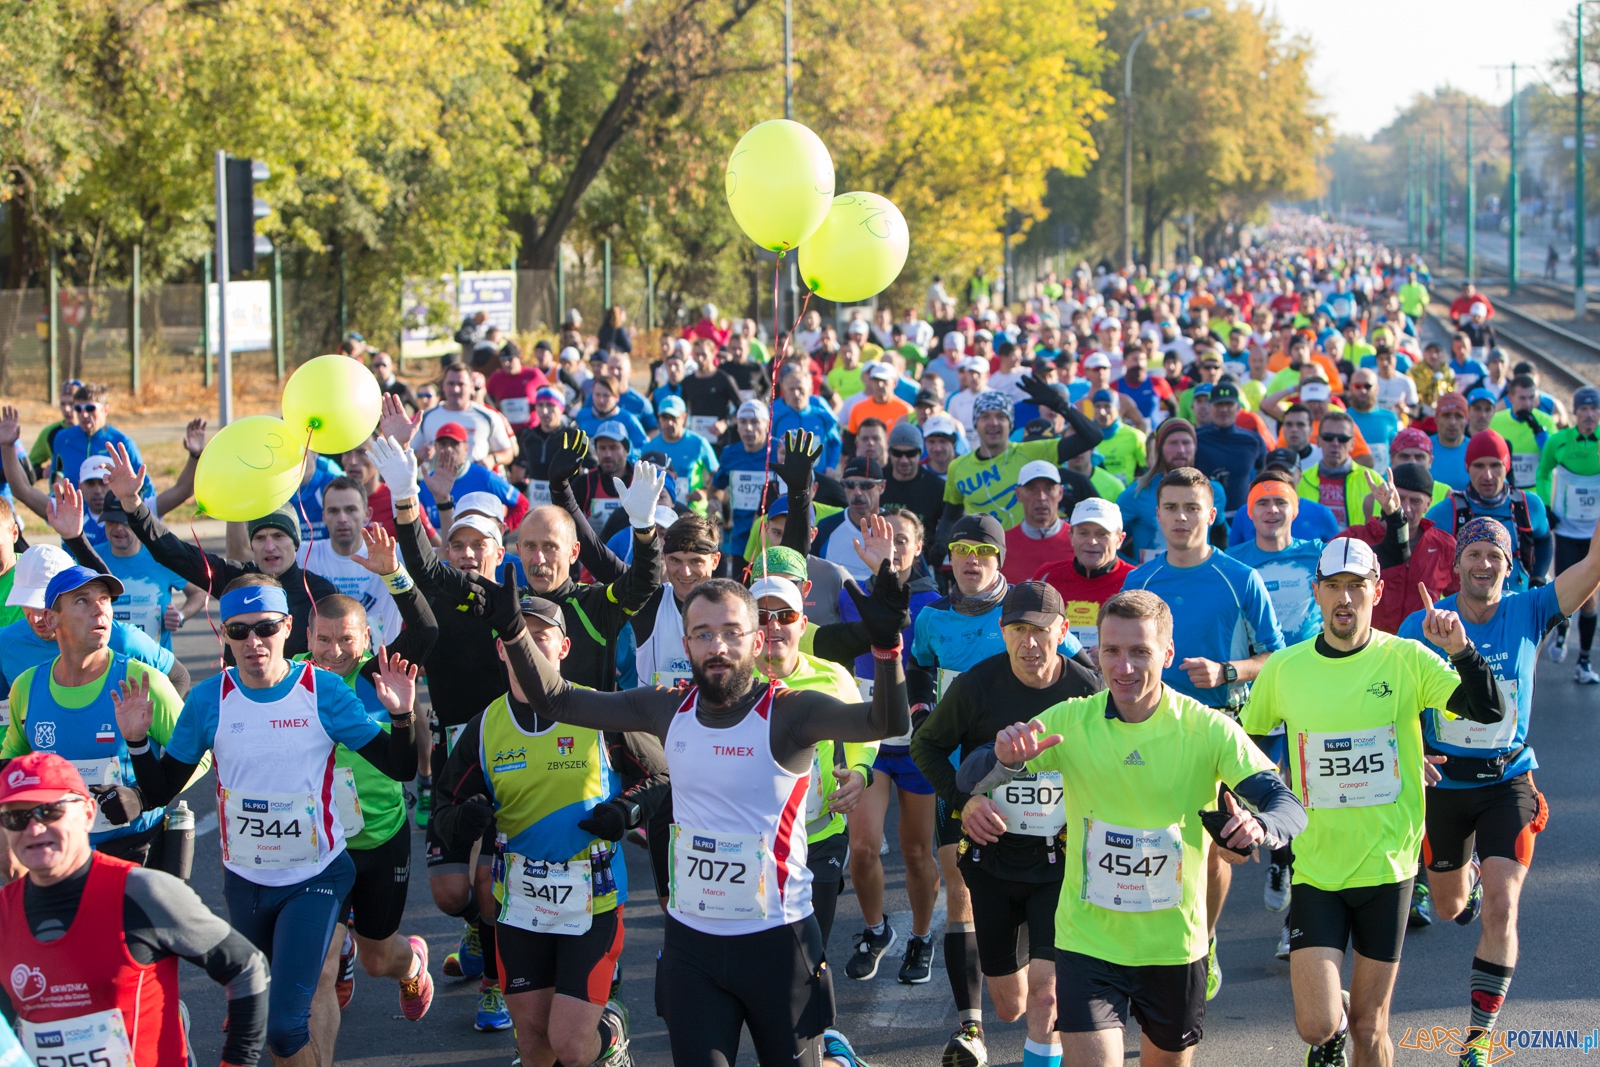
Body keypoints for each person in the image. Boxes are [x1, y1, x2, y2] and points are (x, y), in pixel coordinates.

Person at [487, 560, 911, 1067]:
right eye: (703, 634)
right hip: (694, 947)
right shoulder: (667, 708)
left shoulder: (790, 713)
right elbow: (557, 700)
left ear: (757, 642)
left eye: (732, 632)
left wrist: (886, 650)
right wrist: (514, 633)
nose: (718, 647)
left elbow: (883, 720)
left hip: (779, 943)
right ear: (685, 644)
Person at [957, 590, 1305, 1067]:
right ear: (1096, 652)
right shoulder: (1071, 721)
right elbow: (968, 777)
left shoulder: (1206, 729)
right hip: (1088, 942)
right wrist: (999, 759)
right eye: (1111, 651)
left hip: (1174, 946)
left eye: (1140, 651)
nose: (1124, 667)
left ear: (1166, 653)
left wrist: (1258, 826)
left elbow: (1287, 805)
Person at [116, 575, 421, 1066]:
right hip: (246, 882)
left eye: (265, 628)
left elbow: (401, 766)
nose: (253, 642)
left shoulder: (320, 691)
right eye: (238, 631)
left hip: (315, 877)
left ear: (287, 629)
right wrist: (136, 742)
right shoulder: (208, 700)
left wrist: (403, 717)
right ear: (225, 635)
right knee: (264, 1024)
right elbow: (158, 790)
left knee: (282, 1027)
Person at [1241, 538, 1506, 1067]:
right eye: (1334, 586)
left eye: (1357, 587)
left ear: (1377, 592)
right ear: (1316, 592)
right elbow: (1245, 748)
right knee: (1317, 1024)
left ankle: (1353, 1031)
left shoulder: (1406, 658)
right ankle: (1331, 1034)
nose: (1345, 598)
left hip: (1389, 868)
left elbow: (1489, 711)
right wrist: (1253, 811)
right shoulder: (1285, 668)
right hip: (1315, 867)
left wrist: (1461, 649)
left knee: (1371, 1023)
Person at [431, 596, 667, 1067]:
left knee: (572, 1045)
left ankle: (610, 1034)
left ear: (563, 647)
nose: (529, 648)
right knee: (532, 1044)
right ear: (502, 649)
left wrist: (626, 812)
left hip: (593, 900)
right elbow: (444, 806)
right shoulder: (484, 727)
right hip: (519, 904)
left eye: (540, 637)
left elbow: (661, 778)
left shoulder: (599, 710)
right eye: (518, 637)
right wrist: (463, 820)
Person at [1399, 513, 1600, 1062]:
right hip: (1444, 784)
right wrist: (1412, 750)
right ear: (1458, 563)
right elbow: (1392, 703)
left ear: (1508, 567)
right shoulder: (1422, 624)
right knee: (1448, 908)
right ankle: (1463, 878)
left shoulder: (1529, 609)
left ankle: (1479, 1039)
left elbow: (1593, 566)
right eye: (1474, 554)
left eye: (1496, 556)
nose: (1484, 564)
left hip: (1508, 779)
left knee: (1502, 909)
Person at [911, 583, 1104, 1067]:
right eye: (1018, 630)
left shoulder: (1087, 689)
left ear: (1062, 631)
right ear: (1003, 632)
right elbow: (925, 747)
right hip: (992, 862)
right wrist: (964, 803)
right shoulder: (976, 684)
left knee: (1046, 997)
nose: (1029, 643)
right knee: (1011, 1005)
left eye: (1040, 631)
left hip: (1059, 865)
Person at [1123, 467, 1285, 998]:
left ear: (1212, 515)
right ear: (1158, 515)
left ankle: (1205, 940)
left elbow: (1276, 657)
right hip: (1147, 728)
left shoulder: (1239, 578)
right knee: (1150, 839)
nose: (1181, 518)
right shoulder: (1138, 581)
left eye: (1192, 508)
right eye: (1171, 508)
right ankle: (1149, 942)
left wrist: (1227, 671)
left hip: (1218, 729)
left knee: (1214, 848)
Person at [0, 751, 270, 1067]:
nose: (33, 829)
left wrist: (237, 1062)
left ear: (87, 813)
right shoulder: (5, 911)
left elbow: (247, 967)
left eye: (49, 811)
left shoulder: (140, 891)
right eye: (17, 817)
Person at [0, 566, 188, 867]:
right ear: (51, 619)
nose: (99, 609)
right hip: (59, 854)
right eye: (82, 601)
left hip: (135, 849)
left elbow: (196, 755)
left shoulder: (140, 679)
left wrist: (140, 797)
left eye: (104, 599)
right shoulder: (27, 685)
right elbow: (12, 759)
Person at [102, 441, 339, 660]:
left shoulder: (321, 592)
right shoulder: (235, 580)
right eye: (260, 538)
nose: (269, 546)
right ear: (251, 545)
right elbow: (172, 551)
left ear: (296, 543)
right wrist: (132, 505)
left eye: (279, 537)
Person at [935, 383, 1103, 555]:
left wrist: (1061, 406)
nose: (993, 423)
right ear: (975, 424)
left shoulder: (1033, 451)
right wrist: (942, 542)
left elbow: (1092, 437)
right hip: (985, 558)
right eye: (985, 417)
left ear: (1010, 423)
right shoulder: (958, 467)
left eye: (1001, 416)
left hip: (1032, 552)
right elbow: (951, 515)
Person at [48, 483, 205, 652]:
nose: (118, 529)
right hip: (105, 667)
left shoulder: (161, 557)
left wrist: (181, 615)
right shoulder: (90, 560)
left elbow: (199, 592)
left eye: (125, 522)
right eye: (111, 522)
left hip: (155, 666)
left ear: (138, 523)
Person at [1426, 431, 1552, 593]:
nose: (1487, 475)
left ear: (1506, 467)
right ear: (1467, 467)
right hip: (1465, 612)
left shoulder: (1529, 505)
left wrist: (1538, 579)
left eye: (1495, 465)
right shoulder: (1446, 513)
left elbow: (1544, 540)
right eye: (1479, 466)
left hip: (1520, 604)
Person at [1342, 463, 1459, 634]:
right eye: (1400, 497)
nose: (1406, 508)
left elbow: (1461, 600)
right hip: (1368, 646)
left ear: (1428, 504)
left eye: (1416, 501)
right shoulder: (1356, 538)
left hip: (1422, 648)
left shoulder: (1444, 546)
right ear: (1384, 495)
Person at [1537, 385, 1600, 675]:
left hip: (1595, 533)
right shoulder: (1558, 442)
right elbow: (1543, 472)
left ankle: (1584, 661)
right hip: (1566, 532)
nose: (1589, 414)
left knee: (1589, 596)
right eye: (1583, 409)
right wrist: (1546, 507)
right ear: (1574, 413)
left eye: (1594, 408)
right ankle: (1563, 632)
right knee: (1565, 593)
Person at [1030, 499, 1134, 652]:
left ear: (1120, 539)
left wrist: (1112, 651)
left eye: (1102, 534)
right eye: (1083, 533)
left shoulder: (1136, 580)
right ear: (1071, 536)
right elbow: (1031, 631)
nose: (1092, 541)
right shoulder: (1047, 576)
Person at [1116, 420, 1224, 564]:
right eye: (1173, 443)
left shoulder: (1213, 491)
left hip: (1197, 577)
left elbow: (1223, 538)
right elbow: (1106, 537)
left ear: (1195, 447)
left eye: (1186, 443)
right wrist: (1132, 569)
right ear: (1160, 449)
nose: (1180, 450)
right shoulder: (1137, 492)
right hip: (1151, 582)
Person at [713, 400, 782, 572]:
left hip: (774, 538)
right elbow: (716, 489)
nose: (748, 428)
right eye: (743, 422)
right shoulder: (730, 453)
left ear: (767, 425)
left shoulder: (780, 449)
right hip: (741, 541)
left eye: (755, 422)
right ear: (737, 426)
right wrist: (715, 501)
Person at [1294, 409, 1385, 529]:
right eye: (1328, 437)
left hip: (1357, 547)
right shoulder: (1301, 480)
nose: (1335, 443)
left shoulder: (1372, 479)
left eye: (1342, 438)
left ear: (1352, 444)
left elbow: (1382, 528)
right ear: (1318, 441)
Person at [414, 362, 517, 469]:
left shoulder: (488, 416)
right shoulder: (426, 417)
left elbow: (508, 453)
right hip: (438, 483)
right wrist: (419, 456)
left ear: (471, 387)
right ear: (443, 386)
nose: (455, 389)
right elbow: (408, 457)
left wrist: (492, 459)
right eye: (451, 384)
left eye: (461, 384)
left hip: (475, 483)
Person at [1194, 382, 1264, 520]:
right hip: (1204, 518)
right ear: (1210, 407)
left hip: (1243, 517)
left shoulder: (1252, 440)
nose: (1224, 409)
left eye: (1229, 404)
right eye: (1219, 404)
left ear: (1238, 408)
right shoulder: (1196, 439)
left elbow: (1263, 474)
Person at [1001, 461, 1074, 584]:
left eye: (1049, 489)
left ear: (1060, 493)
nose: (1041, 497)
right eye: (1032, 489)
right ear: (1018, 494)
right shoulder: (1002, 544)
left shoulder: (1079, 542)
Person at [645, 395, 719, 505]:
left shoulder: (699, 443)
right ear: (658, 417)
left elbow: (717, 474)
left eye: (673, 418)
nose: (669, 423)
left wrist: (705, 492)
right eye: (665, 418)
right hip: (660, 513)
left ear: (684, 417)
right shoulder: (649, 447)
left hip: (693, 514)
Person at [1488, 375, 1558, 492]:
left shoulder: (1546, 421)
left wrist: (1539, 432)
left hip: (1538, 493)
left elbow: (1554, 458)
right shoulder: (1495, 421)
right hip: (1507, 493)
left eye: (1531, 398)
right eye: (1522, 398)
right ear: (1510, 398)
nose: (1528, 403)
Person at [881, 423, 946, 532]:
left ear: (920, 453)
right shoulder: (877, 482)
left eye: (911, 453)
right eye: (897, 453)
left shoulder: (937, 488)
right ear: (890, 453)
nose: (904, 460)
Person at [486, 344, 548, 434]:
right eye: (503, 360)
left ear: (519, 358)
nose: (506, 363)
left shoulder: (533, 374)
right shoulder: (495, 378)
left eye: (510, 359)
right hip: (506, 431)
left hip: (531, 430)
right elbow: (486, 398)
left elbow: (550, 395)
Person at [1431, 392, 1473, 491]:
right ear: (1436, 419)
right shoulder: (1422, 450)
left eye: (1458, 416)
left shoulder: (1477, 450)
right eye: (1446, 415)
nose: (1452, 422)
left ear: (1467, 420)